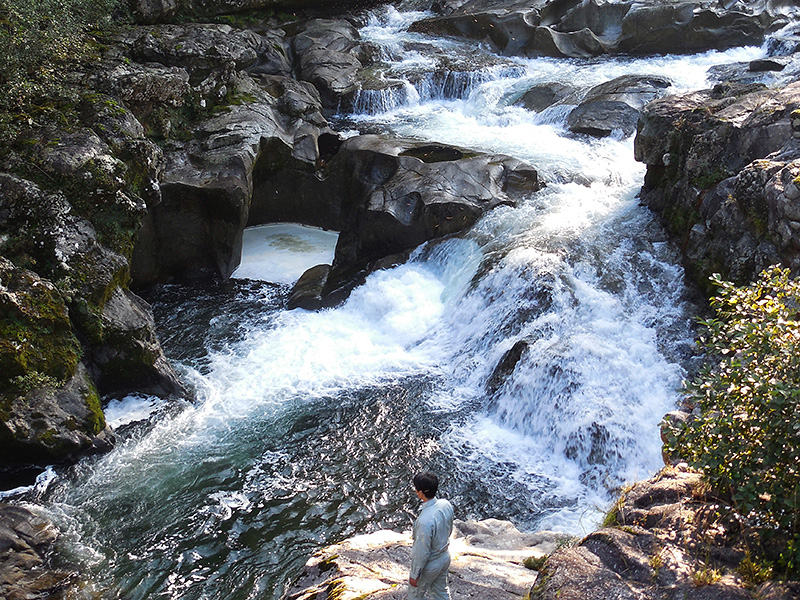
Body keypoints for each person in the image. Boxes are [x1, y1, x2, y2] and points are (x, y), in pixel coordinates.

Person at [408, 472, 454, 600]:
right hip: (445, 556)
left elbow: (421, 551)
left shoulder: (424, 521)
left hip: (430, 564)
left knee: (415, 596)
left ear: (421, 493)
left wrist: (415, 574)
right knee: (441, 593)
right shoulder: (445, 504)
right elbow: (449, 527)